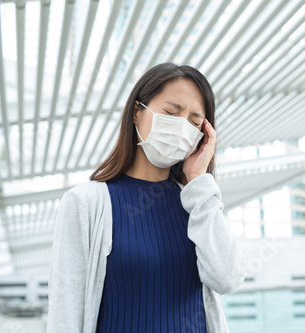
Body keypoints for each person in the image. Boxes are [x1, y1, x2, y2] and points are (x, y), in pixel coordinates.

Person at [46, 62, 247, 333]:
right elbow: (66, 309)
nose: (181, 127)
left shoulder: (196, 202)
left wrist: (199, 181)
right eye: (170, 112)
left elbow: (228, 279)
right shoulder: (86, 203)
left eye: (194, 121)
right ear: (137, 112)